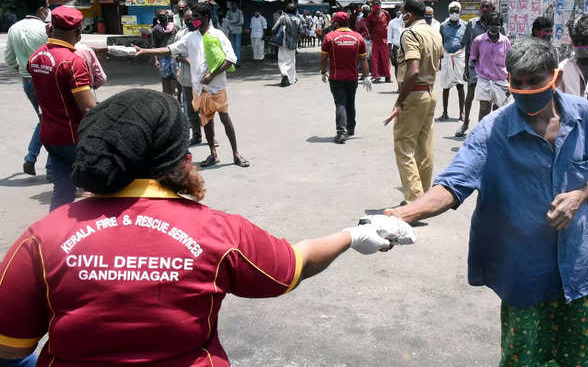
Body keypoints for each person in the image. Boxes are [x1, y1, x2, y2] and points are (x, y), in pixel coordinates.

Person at [0, 89, 406, 366]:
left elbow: (9, 345)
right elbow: (290, 268)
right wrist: (351, 236)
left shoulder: (42, 237)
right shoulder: (217, 232)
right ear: (179, 157)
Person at [386, 37, 588, 367]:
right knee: (522, 358)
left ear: (554, 77)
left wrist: (581, 194)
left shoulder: (586, 116)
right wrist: (403, 214)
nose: (524, 90)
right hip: (524, 273)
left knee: (584, 357)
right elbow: (453, 186)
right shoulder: (490, 131)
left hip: (579, 268)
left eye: (534, 82)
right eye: (517, 82)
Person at [134, 3, 250, 169]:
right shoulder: (190, 37)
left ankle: (236, 153)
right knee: (207, 122)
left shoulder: (217, 35)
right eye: (191, 17)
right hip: (199, 89)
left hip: (216, 88)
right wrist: (146, 52)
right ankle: (213, 153)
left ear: (206, 18)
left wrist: (212, 75)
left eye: (196, 17)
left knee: (225, 119)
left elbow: (231, 59)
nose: (192, 20)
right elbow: (170, 49)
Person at [27, 6, 96, 211]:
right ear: (78, 32)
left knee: (63, 191)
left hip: (50, 135)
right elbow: (88, 108)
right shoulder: (73, 62)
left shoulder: (36, 56)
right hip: (73, 137)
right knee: (105, 188)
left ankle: (54, 236)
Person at [383, 0, 443, 205]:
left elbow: (413, 70)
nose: (401, 16)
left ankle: (414, 199)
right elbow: (438, 63)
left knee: (404, 145)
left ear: (409, 14)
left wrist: (399, 101)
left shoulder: (410, 33)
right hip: (429, 92)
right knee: (424, 146)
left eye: (402, 12)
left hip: (414, 94)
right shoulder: (434, 32)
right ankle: (423, 194)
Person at [4, 0, 52, 178]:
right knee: (53, 120)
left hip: (27, 82)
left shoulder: (14, 28)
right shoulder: (46, 29)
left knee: (45, 118)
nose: (48, 10)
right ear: (41, 9)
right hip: (47, 80)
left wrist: (24, 70)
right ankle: (51, 167)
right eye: (47, 7)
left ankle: (31, 158)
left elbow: (9, 59)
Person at [320, 12, 373, 144]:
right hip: (352, 77)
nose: (332, 23)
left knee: (340, 103)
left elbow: (323, 58)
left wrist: (322, 71)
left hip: (336, 77)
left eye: (333, 22)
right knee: (350, 102)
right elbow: (364, 59)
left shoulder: (329, 37)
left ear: (337, 23)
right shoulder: (358, 37)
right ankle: (351, 128)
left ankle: (341, 133)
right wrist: (366, 76)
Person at [456, 0, 505, 137]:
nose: (484, 9)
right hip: (476, 67)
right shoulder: (472, 24)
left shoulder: (498, 24)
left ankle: (491, 130)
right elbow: (467, 47)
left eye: (487, 6)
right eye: (482, 6)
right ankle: (465, 123)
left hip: (494, 71)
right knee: (470, 96)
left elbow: (504, 44)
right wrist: (466, 68)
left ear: (492, 9)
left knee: (493, 102)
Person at [469, 12, 512, 122]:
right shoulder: (478, 40)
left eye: (497, 24)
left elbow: (509, 62)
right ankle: (481, 136)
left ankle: (495, 136)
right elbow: (473, 59)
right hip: (484, 80)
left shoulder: (505, 41)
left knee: (499, 113)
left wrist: (510, 83)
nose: (494, 26)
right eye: (492, 24)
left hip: (501, 81)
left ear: (501, 25)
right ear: (487, 25)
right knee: (484, 109)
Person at [174, 8, 203, 145]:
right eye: (187, 19)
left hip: (203, 78)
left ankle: (211, 136)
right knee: (191, 109)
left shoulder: (204, 33)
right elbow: (174, 53)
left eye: (192, 18)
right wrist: (184, 60)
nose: (190, 21)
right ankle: (196, 135)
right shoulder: (180, 34)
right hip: (186, 77)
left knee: (205, 109)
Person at [437, 1, 467, 121]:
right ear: (449, 12)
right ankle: (445, 112)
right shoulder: (443, 26)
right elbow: (440, 41)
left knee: (460, 85)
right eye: (452, 11)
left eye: (456, 11)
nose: (454, 13)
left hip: (459, 57)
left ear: (460, 12)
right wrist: (440, 59)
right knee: (446, 86)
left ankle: (462, 113)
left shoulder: (465, 25)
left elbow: (466, 42)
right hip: (446, 57)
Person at [272, 3, 302, 87]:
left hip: (282, 42)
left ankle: (284, 73)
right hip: (292, 44)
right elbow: (301, 32)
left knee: (281, 59)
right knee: (291, 61)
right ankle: (291, 79)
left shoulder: (283, 18)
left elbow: (274, 29)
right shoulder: (298, 20)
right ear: (295, 10)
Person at [151, 10, 179, 99]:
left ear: (168, 16)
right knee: (165, 78)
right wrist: (156, 60)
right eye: (160, 16)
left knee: (175, 77)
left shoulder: (175, 28)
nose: (162, 17)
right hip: (162, 57)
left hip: (173, 55)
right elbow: (154, 46)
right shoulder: (155, 30)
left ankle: (176, 96)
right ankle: (167, 97)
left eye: (164, 15)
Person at [366, 0, 392, 83]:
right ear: (372, 6)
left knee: (385, 59)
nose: (376, 5)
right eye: (374, 4)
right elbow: (368, 27)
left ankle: (387, 76)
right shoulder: (370, 16)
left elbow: (389, 24)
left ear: (380, 4)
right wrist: (371, 36)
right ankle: (376, 76)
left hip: (385, 39)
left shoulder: (386, 13)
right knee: (375, 59)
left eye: (377, 4)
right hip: (375, 40)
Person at [387, 6, 404, 84]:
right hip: (396, 47)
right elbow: (389, 38)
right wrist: (390, 52)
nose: (399, 12)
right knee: (397, 67)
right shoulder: (392, 22)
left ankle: (405, 85)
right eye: (397, 10)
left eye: (400, 10)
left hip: (406, 47)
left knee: (405, 67)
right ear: (395, 11)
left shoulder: (406, 21)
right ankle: (399, 85)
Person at [355, 4, 372, 72]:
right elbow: (358, 31)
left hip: (372, 40)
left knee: (371, 57)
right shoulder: (360, 20)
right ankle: (364, 72)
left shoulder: (372, 19)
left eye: (367, 10)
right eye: (364, 10)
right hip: (364, 40)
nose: (366, 12)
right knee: (364, 57)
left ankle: (371, 71)